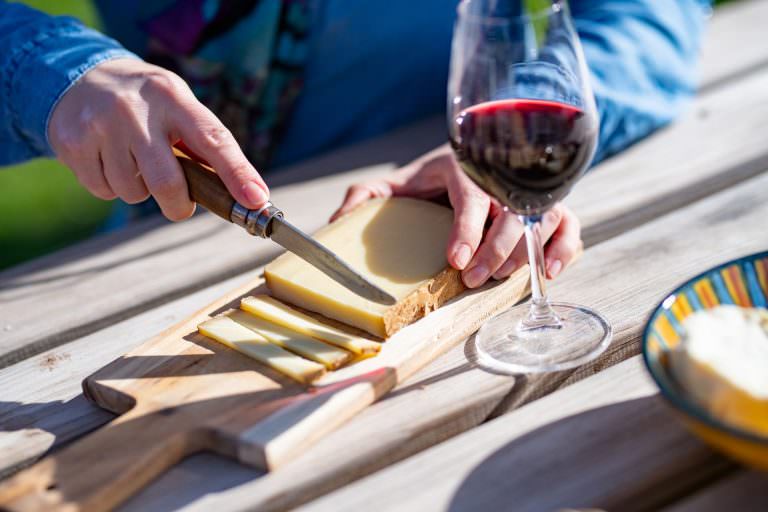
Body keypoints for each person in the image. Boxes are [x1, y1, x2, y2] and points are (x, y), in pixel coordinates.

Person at [0, 0, 710, 288]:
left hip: (436, 182)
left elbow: (643, 17)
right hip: (146, 241)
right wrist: (47, 70)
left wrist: (519, 129)